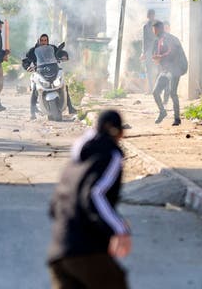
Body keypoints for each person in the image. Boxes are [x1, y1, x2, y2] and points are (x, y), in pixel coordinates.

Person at [48, 110, 131, 289]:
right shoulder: (110, 154)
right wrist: (119, 228)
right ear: (116, 131)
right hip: (86, 251)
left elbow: (54, 207)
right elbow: (95, 194)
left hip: (59, 252)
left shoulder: (76, 160)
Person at [23, 34, 77, 120]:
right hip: (39, 71)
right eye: (42, 40)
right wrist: (27, 67)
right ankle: (32, 113)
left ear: (47, 41)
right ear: (39, 41)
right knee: (35, 89)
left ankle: (70, 107)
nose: (44, 42)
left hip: (53, 69)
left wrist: (64, 56)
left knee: (64, 86)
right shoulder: (33, 51)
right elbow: (26, 60)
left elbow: (60, 53)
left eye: (45, 40)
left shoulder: (52, 48)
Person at [151, 21, 187, 126]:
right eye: (153, 30)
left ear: (159, 29)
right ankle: (162, 112)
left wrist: (160, 57)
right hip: (165, 70)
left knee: (172, 93)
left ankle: (177, 118)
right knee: (155, 92)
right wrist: (156, 58)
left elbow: (172, 52)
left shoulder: (170, 39)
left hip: (175, 69)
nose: (154, 32)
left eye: (155, 30)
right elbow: (156, 54)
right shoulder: (157, 40)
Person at [140, 9, 157, 94]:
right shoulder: (147, 26)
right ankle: (153, 89)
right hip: (152, 50)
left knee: (153, 70)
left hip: (154, 50)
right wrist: (143, 52)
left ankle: (154, 89)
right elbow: (144, 40)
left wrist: (143, 52)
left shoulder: (152, 25)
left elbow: (145, 40)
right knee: (150, 70)